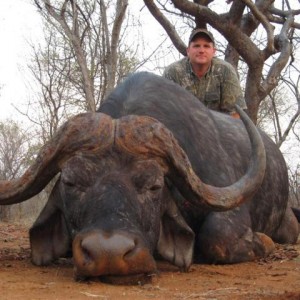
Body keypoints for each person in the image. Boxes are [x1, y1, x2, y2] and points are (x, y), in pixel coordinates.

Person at [163, 28, 247, 118]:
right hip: (182, 126)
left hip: (218, 128)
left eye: (206, 46)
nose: (201, 50)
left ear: (213, 51)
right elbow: (164, 109)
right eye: (196, 46)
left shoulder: (226, 71)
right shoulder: (172, 72)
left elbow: (235, 114)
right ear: (188, 51)